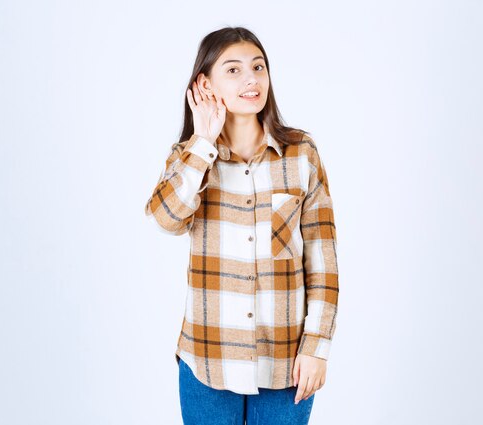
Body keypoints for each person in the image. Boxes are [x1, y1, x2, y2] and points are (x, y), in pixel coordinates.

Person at [144, 26, 339, 425]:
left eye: (258, 67)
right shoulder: (188, 158)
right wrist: (202, 142)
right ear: (204, 84)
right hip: (208, 361)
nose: (251, 79)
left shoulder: (301, 154)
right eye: (232, 70)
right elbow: (166, 219)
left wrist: (317, 347)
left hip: (286, 365)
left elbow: (323, 263)